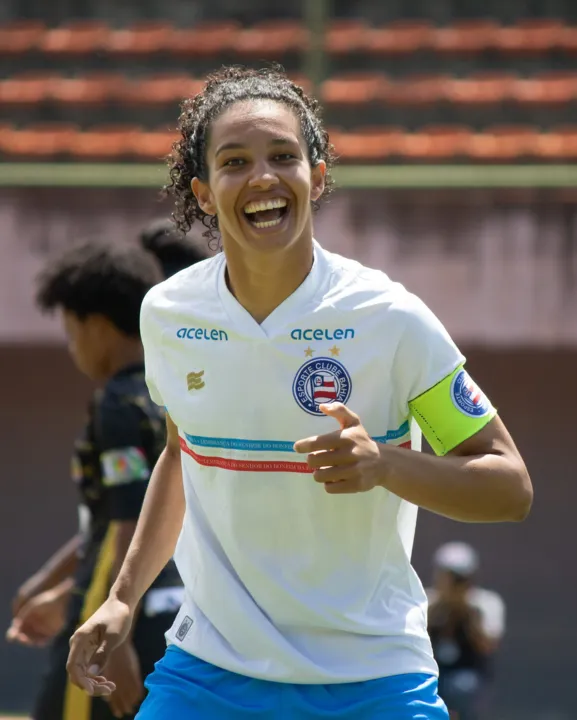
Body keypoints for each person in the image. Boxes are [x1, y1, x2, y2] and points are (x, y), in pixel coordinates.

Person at [66, 65, 533, 720]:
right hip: (208, 673)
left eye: (283, 156)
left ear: (316, 177)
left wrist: (386, 464)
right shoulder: (169, 314)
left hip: (372, 679)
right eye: (235, 162)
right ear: (203, 192)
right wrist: (122, 597)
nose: (262, 177)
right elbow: (181, 454)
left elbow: (510, 486)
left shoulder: (390, 319)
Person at [7, 227, 207, 720]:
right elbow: (134, 511)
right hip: (177, 605)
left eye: (72, 333)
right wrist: (56, 582)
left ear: (97, 325)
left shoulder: (117, 403)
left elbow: (124, 523)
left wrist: (113, 629)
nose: (73, 349)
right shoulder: (166, 396)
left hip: (117, 614)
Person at [427, 542, 506, 720]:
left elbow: (488, 646)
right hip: (434, 673)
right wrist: (439, 611)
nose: (454, 585)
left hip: (470, 677)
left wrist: (467, 613)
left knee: (464, 687)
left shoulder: (486, 603)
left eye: (459, 578)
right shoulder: (427, 602)